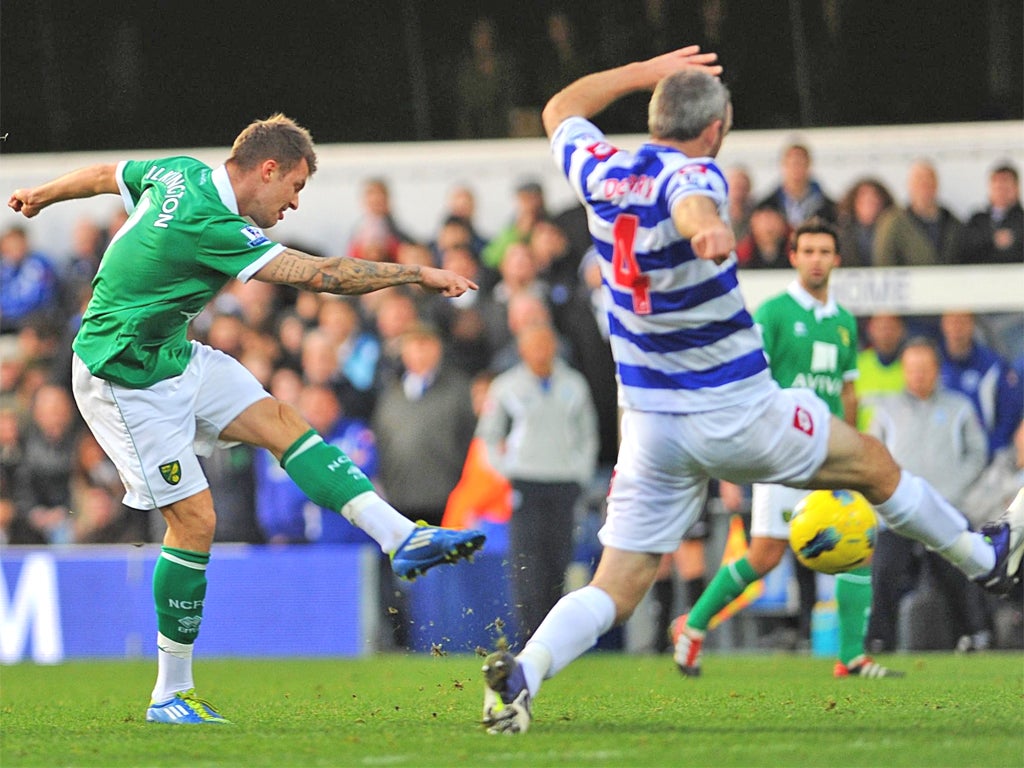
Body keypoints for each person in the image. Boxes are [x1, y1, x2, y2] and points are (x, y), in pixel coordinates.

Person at [478, 47, 1023, 736]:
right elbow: (691, 203)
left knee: (616, 584)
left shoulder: (602, 168)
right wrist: (706, 228)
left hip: (649, 423)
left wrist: (645, 73)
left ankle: (523, 673)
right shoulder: (693, 173)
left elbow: (561, 108)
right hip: (736, 408)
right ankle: (987, 560)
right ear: (715, 130)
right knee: (875, 466)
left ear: (655, 115)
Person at [7, 113, 485, 725]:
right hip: (121, 378)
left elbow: (106, 174)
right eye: (296, 187)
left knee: (282, 421)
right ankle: (169, 693)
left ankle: (402, 538)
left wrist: (43, 195)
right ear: (269, 169)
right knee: (196, 520)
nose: (294, 203)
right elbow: (323, 275)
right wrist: (416, 273)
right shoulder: (213, 223)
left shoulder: (178, 173)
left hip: (176, 356)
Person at [672, 217, 899, 678]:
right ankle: (692, 628)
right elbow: (751, 383)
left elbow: (847, 391)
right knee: (764, 556)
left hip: (833, 455)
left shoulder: (843, 322)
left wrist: (853, 447)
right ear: (793, 257)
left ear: (837, 259)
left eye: (824, 251)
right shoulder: (775, 313)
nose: (816, 260)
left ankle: (851, 656)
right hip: (784, 454)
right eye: (808, 251)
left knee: (860, 546)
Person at [475, 321, 598, 641]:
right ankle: (530, 634)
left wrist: (580, 471)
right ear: (522, 350)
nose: (542, 351)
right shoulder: (506, 386)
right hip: (525, 482)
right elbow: (489, 434)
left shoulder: (574, 384)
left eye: (547, 343)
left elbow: (588, 434)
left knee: (560, 558)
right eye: (535, 344)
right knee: (527, 561)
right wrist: (506, 470)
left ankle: (558, 635)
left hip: (563, 481)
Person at [866, 338, 989, 652]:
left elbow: (977, 453)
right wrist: (890, 493)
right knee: (885, 574)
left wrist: (952, 491)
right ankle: (880, 640)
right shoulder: (886, 409)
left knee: (962, 571)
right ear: (904, 371)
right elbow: (871, 455)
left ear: (936, 369)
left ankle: (974, 635)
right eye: (912, 368)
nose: (918, 375)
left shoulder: (958, 406)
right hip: (899, 513)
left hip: (945, 509)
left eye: (924, 368)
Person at [873, 160, 967, 266]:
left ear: (936, 184)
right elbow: (885, 262)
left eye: (929, 180)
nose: (924, 186)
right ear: (909, 185)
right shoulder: (892, 223)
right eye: (919, 181)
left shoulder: (952, 222)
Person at [756, 143, 837, 228]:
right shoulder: (766, 207)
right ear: (783, 165)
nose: (796, 169)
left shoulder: (829, 208)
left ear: (809, 166)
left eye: (801, 163)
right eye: (792, 163)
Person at [962, 163, 1023, 265]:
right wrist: (992, 239)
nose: (1001, 191)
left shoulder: (1021, 220)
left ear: (1016, 188)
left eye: (1005, 187)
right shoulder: (977, 220)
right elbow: (965, 248)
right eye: (997, 186)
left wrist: (1014, 239)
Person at [835, 178, 895, 268]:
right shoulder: (842, 234)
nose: (869, 201)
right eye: (863, 197)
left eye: (874, 197)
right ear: (854, 202)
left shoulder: (895, 232)